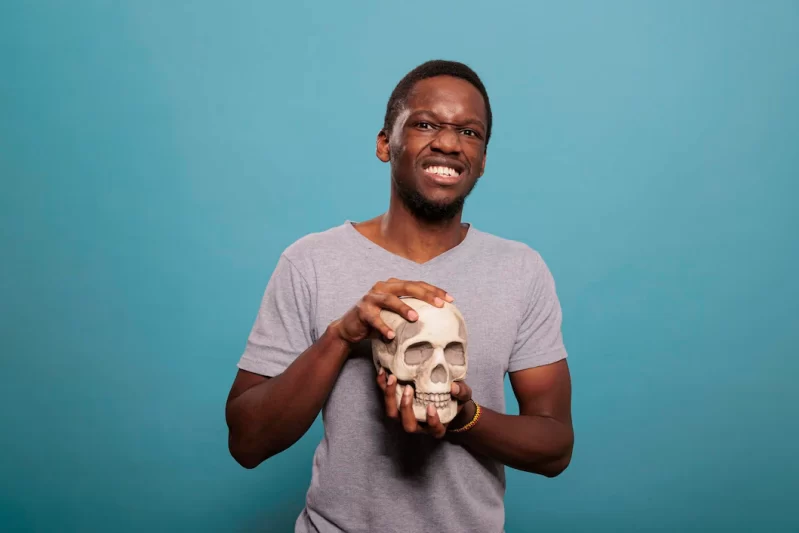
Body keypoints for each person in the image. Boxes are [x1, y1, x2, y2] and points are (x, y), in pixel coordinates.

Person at [225, 59, 574, 533]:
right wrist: (342, 338)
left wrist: (464, 418)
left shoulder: (520, 270)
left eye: (470, 133)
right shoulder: (310, 262)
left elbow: (555, 446)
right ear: (385, 144)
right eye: (425, 124)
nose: (449, 143)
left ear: (484, 159)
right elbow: (247, 442)